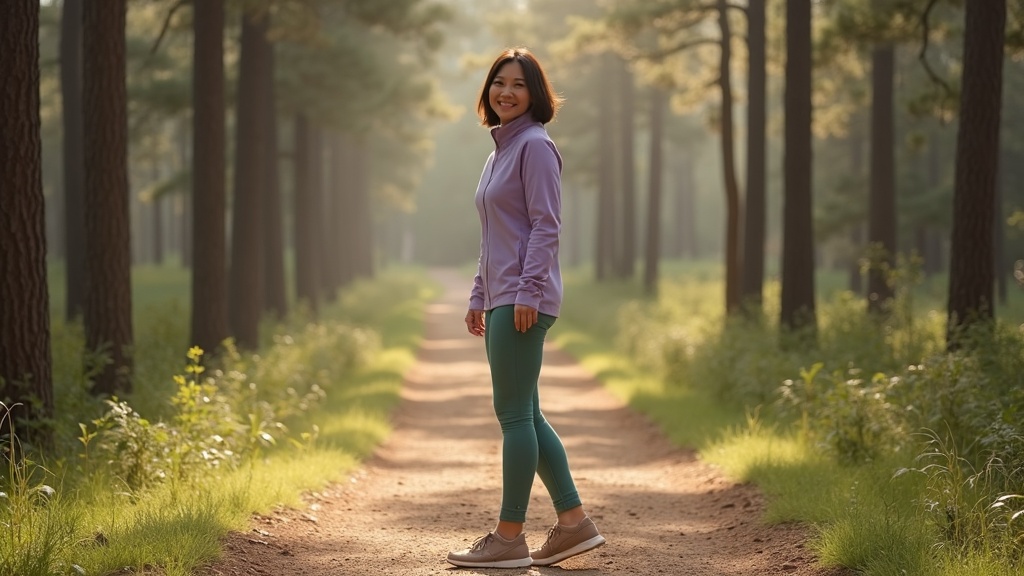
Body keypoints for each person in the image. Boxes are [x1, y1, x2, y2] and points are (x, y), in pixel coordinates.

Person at [446, 47, 606, 569]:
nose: (506, 92)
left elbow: (545, 225)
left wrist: (529, 292)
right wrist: (479, 294)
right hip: (503, 295)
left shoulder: (535, 146)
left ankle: (508, 537)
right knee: (528, 415)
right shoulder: (500, 151)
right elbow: (496, 234)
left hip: (522, 297)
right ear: (488, 90)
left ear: (535, 94)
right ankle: (574, 524)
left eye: (518, 84)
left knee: (513, 416)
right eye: (499, 82)